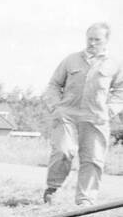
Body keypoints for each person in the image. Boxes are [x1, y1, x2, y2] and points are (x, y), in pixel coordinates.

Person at [42, 22, 123, 205]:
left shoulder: (115, 63)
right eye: (90, 39)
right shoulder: (71, 60)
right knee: (63, 151)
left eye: (97, 39)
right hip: (67, 115)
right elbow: (54, 85)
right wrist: (56, 106)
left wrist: (109, 110)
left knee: (93, 159)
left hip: (96, 117)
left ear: (106, 41)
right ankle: (52, 189)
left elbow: (120, 90)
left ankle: (86, 200)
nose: (92, 43)